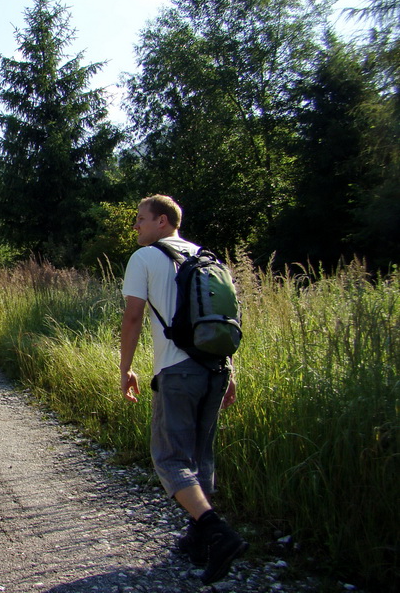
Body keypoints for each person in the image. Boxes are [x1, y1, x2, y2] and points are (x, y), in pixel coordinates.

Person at [119, 195, 247, 585]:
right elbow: (224, 317)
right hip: (216, 367)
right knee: (200, 455)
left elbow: (133, 315)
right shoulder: (207, 257)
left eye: (141, 219)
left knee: (170, 458)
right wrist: (231, 371)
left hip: (178, 372)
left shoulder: (144, 258)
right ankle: (197, 540)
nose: (136, 226)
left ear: (161, 221)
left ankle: (217, 533)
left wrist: (126, 369)